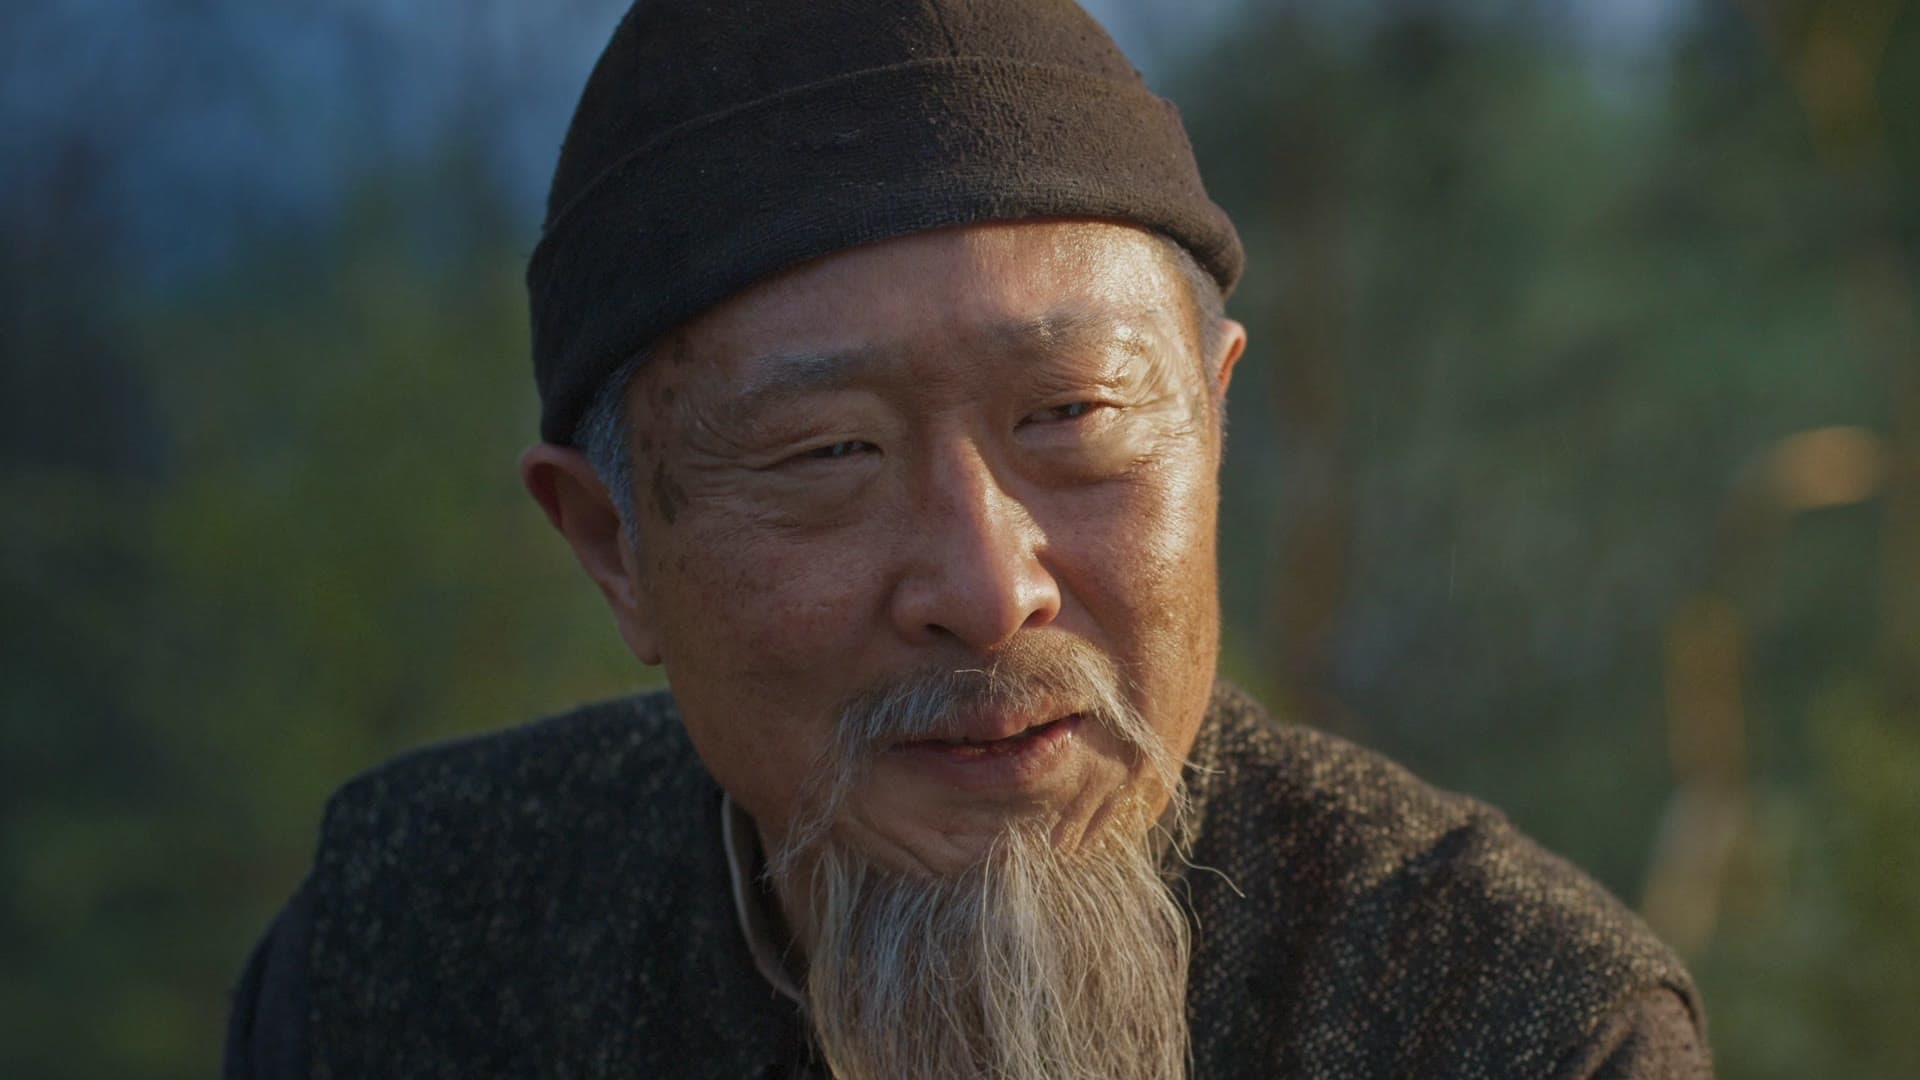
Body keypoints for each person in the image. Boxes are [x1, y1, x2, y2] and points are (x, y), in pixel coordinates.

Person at [223, 1, 1712, 1076]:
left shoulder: (1502, 1021)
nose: (991, 591)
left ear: (1211, 424)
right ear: (614, 545)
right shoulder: (415, 951)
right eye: (830, 453)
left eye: (1071, 416)